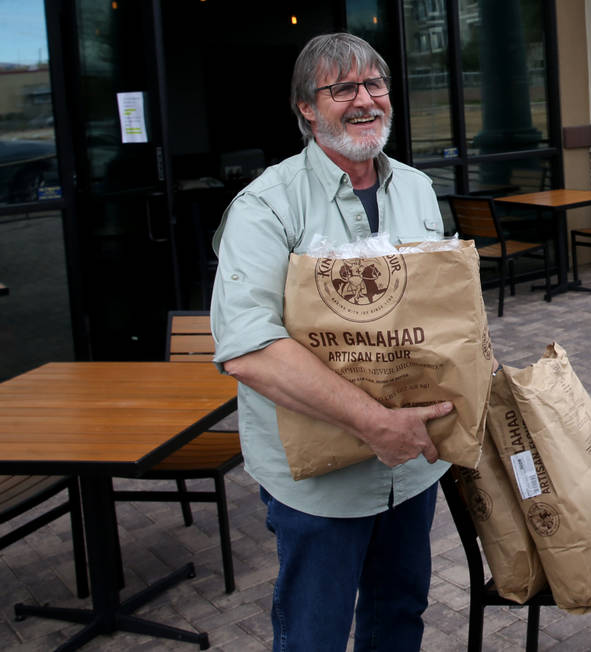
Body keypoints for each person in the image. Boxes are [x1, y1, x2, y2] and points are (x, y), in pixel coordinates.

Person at [210, 33, 453, 651]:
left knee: (398, 617)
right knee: (313, 635)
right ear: (307, 109)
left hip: (414, 467)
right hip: (319, 482)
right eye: (342, 88)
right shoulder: (266, 205)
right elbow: (248, 346)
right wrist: (374, 422)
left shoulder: (419, 190)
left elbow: (443, 312)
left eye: (375, 84)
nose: (365, 100)